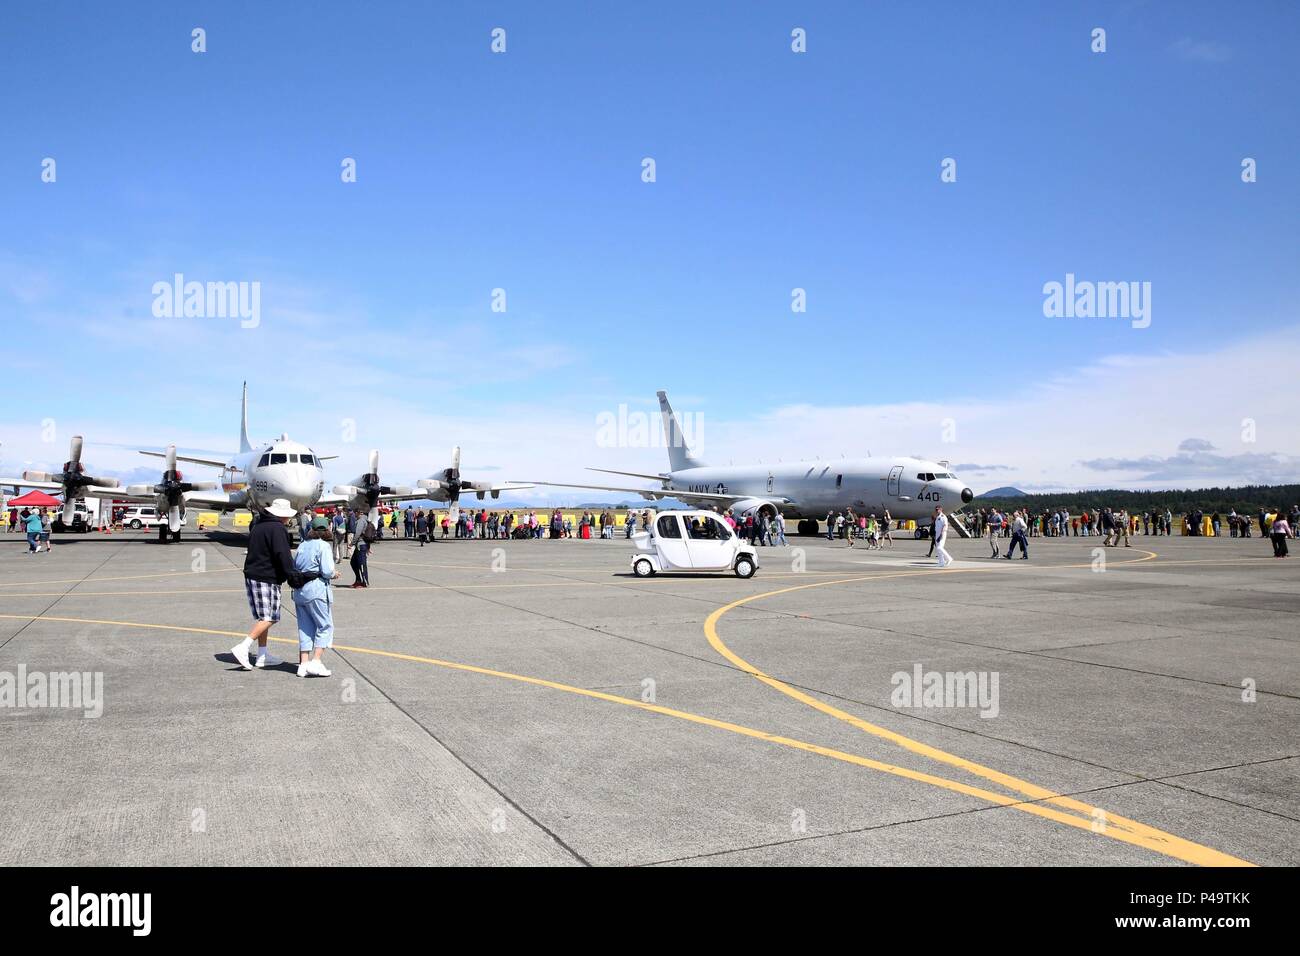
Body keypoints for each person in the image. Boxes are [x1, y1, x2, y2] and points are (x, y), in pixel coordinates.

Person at [230, 499, 310, 670]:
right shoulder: (277, 528)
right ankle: (243, 646)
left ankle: (262, 654)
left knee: (262, 617)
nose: (289, 519)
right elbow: (282, 554)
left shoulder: (258, 525)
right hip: (266, 576)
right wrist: (292, 576)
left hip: (252, 574)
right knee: (270, 617)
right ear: (282, 515)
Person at [293, 516, 339, 677]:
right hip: (316, 591)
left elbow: (295, 566)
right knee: (325, 626)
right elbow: (326, 571)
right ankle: (316, 661)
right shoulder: (323, 546)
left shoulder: (302, 545)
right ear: (326, 530)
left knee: (304, 627)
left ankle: (303, 664)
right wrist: (334, 574)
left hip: (300, 591)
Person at [350, 510, 372, 587]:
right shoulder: (366, 519)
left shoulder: (361, 520)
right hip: (362, 545)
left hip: (361, 545)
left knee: (361, 564)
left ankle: (365, 582)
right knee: (353, 562)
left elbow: (357, 533)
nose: (353, 514)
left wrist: (351, 543)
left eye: (354, 512)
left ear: (357, 513)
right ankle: (358, 580)